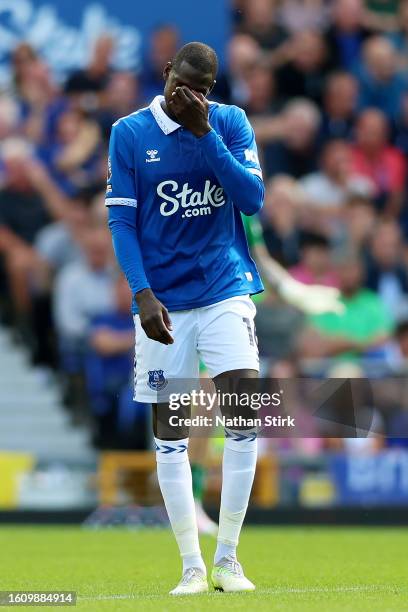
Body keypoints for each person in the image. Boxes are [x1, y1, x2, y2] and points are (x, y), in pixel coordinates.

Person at [107, 42, 263, 595]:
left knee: (247, 408)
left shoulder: (228, 123)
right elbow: (122, 223)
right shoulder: (129, 133)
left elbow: (251, 199)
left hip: (224, 287)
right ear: (166, 70)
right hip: (164, 300)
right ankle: (191, 566)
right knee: (171, 431)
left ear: (209, 90)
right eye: (179, 82)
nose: (184, 95)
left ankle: (228, 559)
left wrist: (206, 136)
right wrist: (143, 294)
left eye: (198, 89)